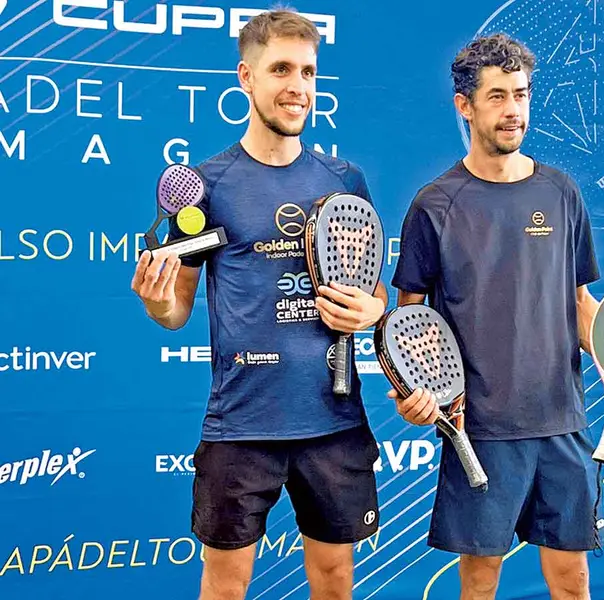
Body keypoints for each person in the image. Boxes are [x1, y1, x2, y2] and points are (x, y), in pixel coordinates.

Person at [388, 33, 604, 600]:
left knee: (572, 583)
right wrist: (414, 395)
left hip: (563, 423)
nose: (513, 111)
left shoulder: (561, 192)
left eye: (521, 95)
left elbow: (579, 304)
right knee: (480, 585)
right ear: (465, 105)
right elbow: (410, 323)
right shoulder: (435, 204)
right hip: (481, 430)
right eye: (497, 97)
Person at [130, 9, 388, 600]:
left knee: (334, 580)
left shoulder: (345, 180)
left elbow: (375, 292)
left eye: (308, 72)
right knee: (226, 588)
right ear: (246, 78)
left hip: (334, 420)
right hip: (241, 426)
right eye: (281, 70)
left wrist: (371, 313)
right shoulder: (206, 186)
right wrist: (155, 302)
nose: (298, 87)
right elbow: (175, 313)